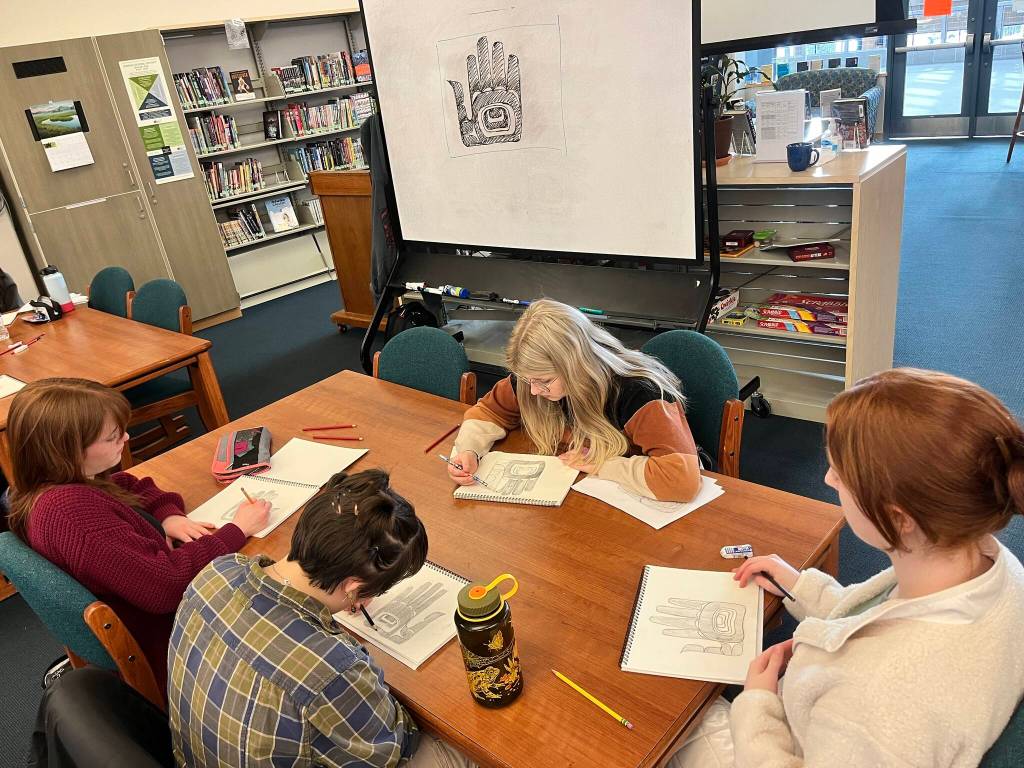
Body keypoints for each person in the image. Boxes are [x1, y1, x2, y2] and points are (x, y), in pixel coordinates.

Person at [668, 368, 1024, 767]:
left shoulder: (876, 702)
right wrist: (802, 588)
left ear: (899, 517)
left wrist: (757, 703)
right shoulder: (987, 563)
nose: (827, 478)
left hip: (787, 741)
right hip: (832, 721)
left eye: (840, 472)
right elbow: (878, 614)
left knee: (667, 717)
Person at [167, 468, 476, 768]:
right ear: (354, 588)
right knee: (464, 754)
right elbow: (391, 748)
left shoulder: (217, 571)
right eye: (375, 592)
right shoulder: (333, 668)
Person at [6, 378, 270, 691]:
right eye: (112, 437)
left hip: (150, 614)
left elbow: (130, 486)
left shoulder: (48, 484)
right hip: (173, 640)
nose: (127, 438)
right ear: (65, 450)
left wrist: (167, 515)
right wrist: (236, 531)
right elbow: (166, 587)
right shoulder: (70, 513)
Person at [447, 298, 702, 501]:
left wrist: (602, 464)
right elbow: (488, 413)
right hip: (576, 495)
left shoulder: (640, 393)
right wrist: (469, 449)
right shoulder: (530, 380)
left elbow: (681, 480)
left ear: (576, 366)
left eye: (544, 381)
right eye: (527, 380)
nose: (534, 391)